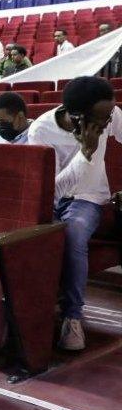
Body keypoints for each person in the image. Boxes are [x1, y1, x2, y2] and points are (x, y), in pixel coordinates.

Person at [27, 77, 122, 350]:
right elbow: (51, 190)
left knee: (73, 235)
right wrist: (85, 154)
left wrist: (88, 154)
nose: (107, 123)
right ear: (77, 117)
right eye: (102, 119)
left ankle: (73, 316)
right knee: (33, 239)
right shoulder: (42, 130)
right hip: (53, 198)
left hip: (89, 197)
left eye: (110, 115)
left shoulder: (109, 114)